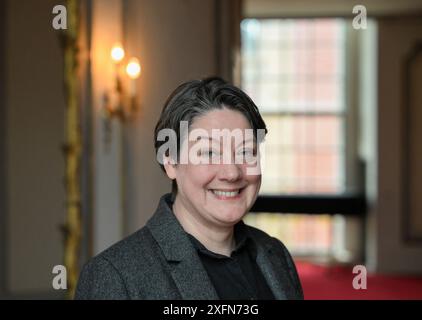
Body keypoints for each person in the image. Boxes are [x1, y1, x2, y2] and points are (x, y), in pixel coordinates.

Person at [75, 77, 303, 300]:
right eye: (209, 153)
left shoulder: (276, 256)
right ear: (170, 161)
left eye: (245, 152)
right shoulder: (115, 276)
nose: (232, 173)